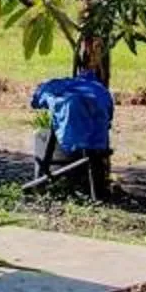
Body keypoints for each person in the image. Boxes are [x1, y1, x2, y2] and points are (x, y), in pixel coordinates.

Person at [27, 71, 114, 199]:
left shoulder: (56, 88)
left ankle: (44, 182)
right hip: (98, 141)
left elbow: (38, 100)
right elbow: (109, 116)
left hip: (72, 139)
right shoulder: (101, 91)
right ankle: (95, 191)